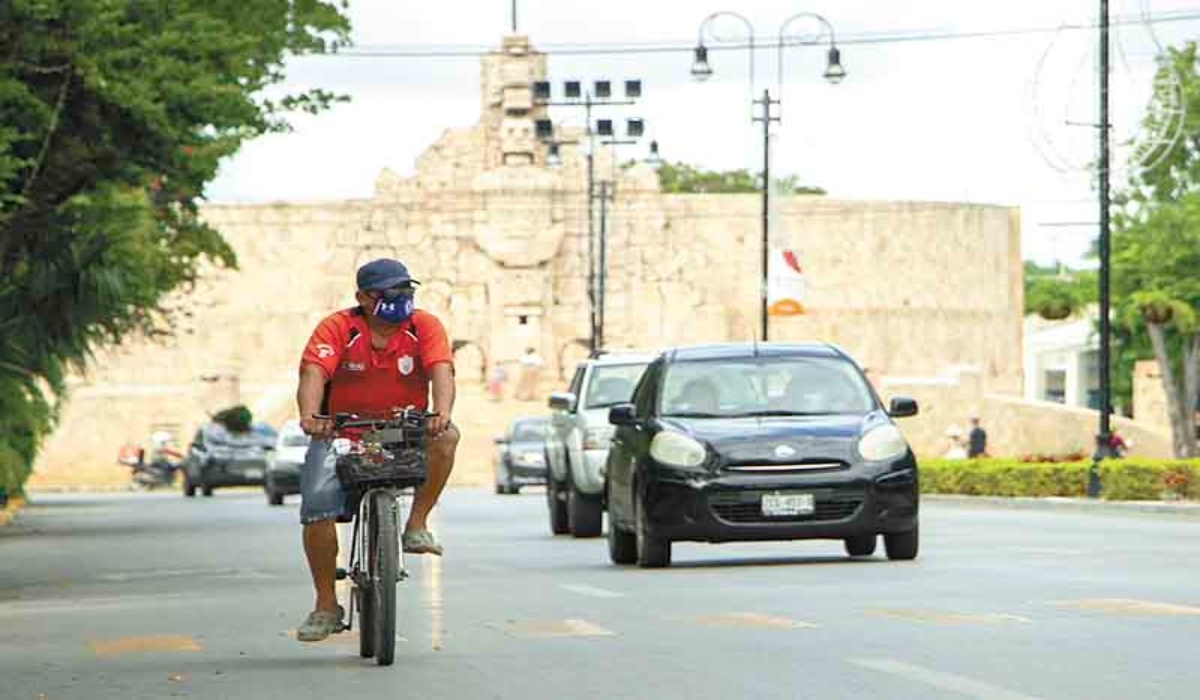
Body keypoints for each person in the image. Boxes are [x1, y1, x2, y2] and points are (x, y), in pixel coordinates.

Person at [294, 258, 459, 642]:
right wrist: (309, 416)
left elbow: (442, 370)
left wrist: (442, 413)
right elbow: (313, 372)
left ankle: (416, 524)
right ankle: (325, 604)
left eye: (406, 291)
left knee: (448, 438)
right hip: (344, 431)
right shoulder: (339, 327)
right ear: (364, 299)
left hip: (401, 429)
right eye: (390, 292)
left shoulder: (424, 326)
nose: (401, 299)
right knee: (317, 509)